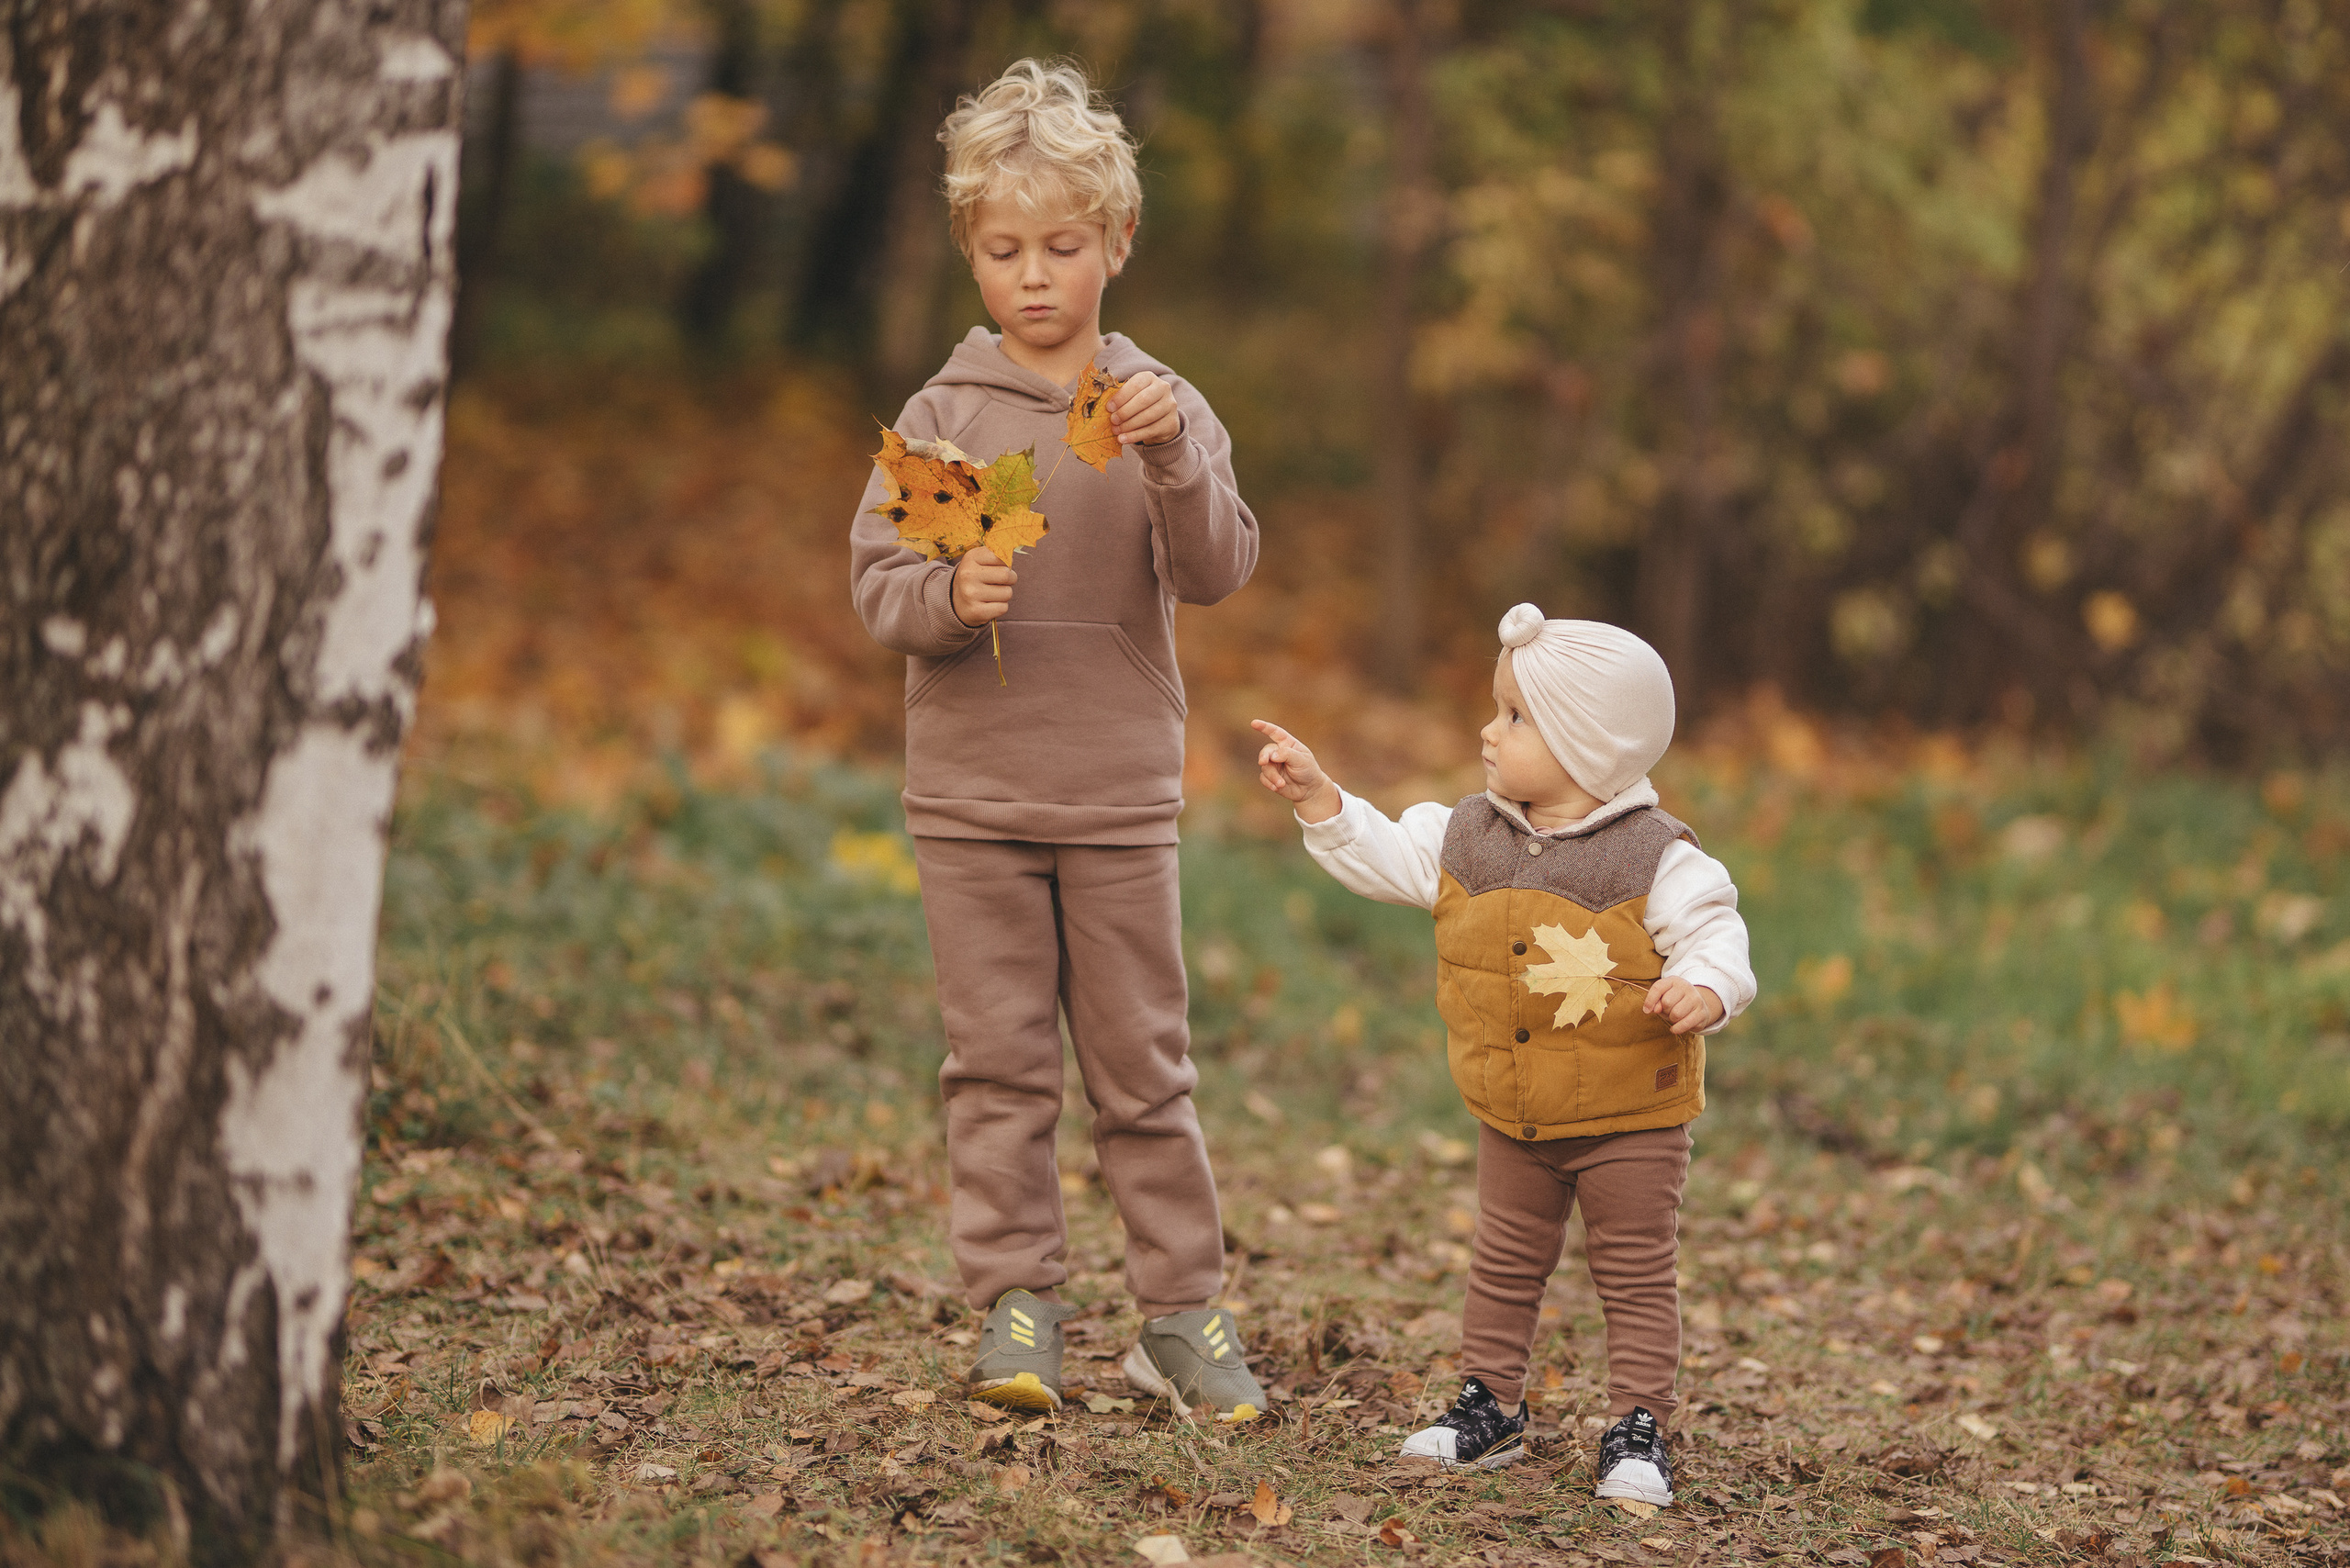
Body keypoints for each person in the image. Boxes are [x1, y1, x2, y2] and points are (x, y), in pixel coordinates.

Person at [847, 58, 1264, 1422]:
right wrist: (949, 599)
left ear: (1117, 246)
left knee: (1145, 1061)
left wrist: (1173, 458)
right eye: (1006, 249)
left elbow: (1216, 569)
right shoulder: (940, 423)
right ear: (971, 252)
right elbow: (878, 591)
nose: (1036, 277)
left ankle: (1182, 1315)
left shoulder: (1158, 406)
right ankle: (1017, 1302)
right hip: (971, 799)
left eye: (1064, 248)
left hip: (1119, 795)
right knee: (999, 1064)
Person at [1250, 605, 1754, 1504]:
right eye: (1496, 707)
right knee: (1505, 1259)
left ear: (1587, 746)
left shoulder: (1654, 857)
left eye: (1516, 716)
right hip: (1512, 1109)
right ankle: (1489, 1408)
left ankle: (1637, 1426)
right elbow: (1386, 854)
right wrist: (1320, 799)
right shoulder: (1466, 837)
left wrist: (1708, 988)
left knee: (1634, 1271)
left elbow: (1716, 930)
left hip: (1630, 1115)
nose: (1489, 729)